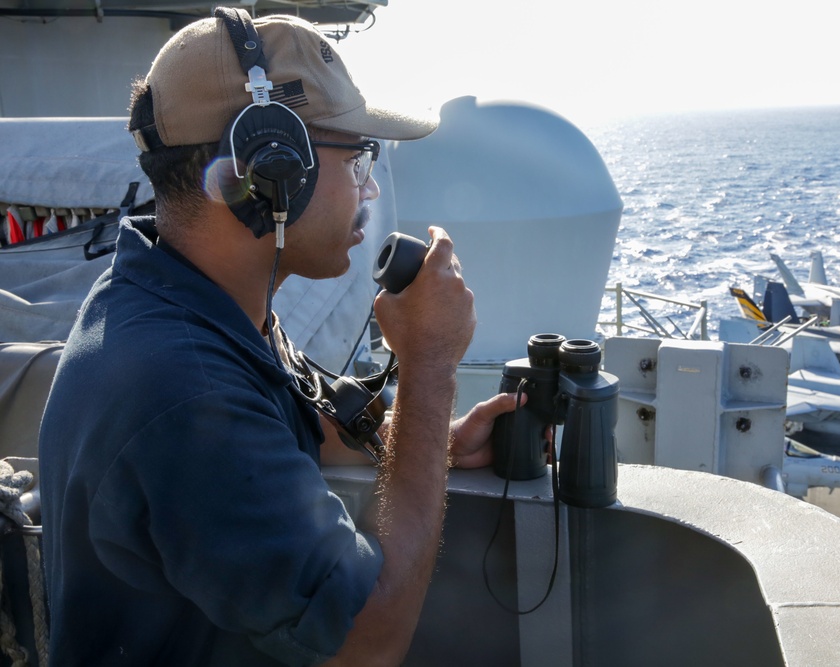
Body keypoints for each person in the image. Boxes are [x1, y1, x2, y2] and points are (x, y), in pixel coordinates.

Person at [39, 8, 519, 666]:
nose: (370, 188)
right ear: (275, 167)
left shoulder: (180, 294)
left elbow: (284, 420)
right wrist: (430, 364)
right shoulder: (182, 391)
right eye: (357, 159)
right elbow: (368, 640)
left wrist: (429, 437)